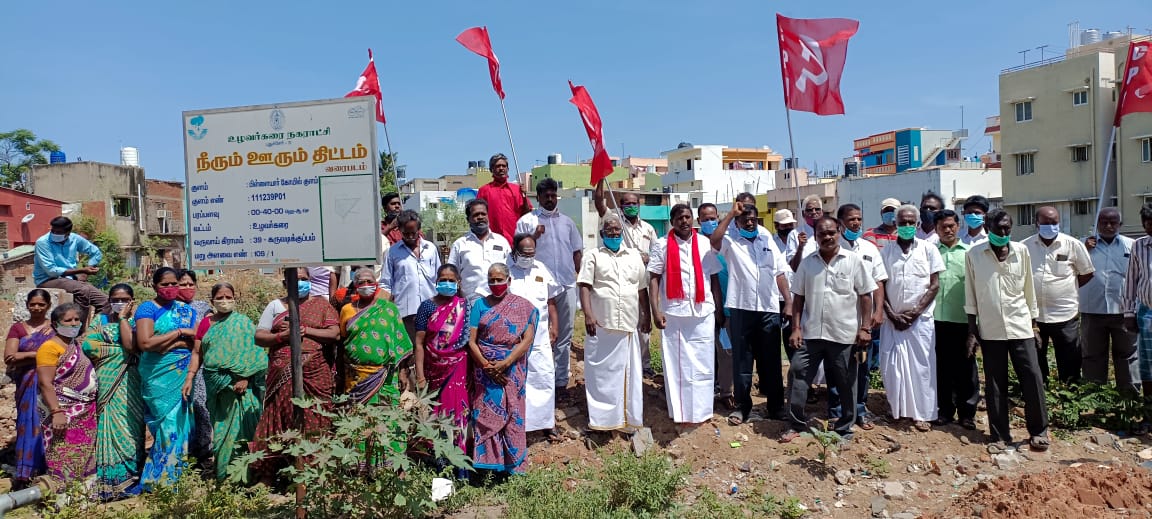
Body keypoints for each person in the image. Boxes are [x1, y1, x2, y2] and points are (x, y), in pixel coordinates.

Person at [781, 216, 876, 444]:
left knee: (846, 382)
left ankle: (844, 428)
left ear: (839, 232)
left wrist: (865, 327)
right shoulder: (807, 263)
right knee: (798, 373)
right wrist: (796, 328)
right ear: (815, 237)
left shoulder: (853, 261)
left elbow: (866, 295)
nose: (827, 237)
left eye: (831, 232)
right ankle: (796, 424)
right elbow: (798, 298)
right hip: (811, 333)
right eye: (822, 233)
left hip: (844, 334)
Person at [965, 210, 1049, 450]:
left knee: (1032, 378)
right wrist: (973, 330)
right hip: (991, 329)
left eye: (1007, 228)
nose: (1003, 233)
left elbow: (1029, 289)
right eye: (998, 228)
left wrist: (1034, 325)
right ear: (988, 228)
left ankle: (1039, 431)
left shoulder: (1021, 251)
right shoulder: (974, 254)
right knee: (995, 383)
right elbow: (971, 294)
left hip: (1020, 326)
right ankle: (1000, 435)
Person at [252, 268, 341, 481]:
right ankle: (270, 474)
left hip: (316, 373)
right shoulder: (275, 306)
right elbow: (260, 337)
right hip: (281, 372)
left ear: (311, 281)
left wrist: (305, 330)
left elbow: (334, 333)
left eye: (304, 279)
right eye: (296, 279)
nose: (300, 282)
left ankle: (314, 474)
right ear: (285, 283)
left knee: (315, 417)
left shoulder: (321, 304)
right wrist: (282, 336)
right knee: (278, 417)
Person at [710, 201, 790, 425]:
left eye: (753, 219)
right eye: (744, 219)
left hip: (768, 308)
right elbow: (714, 241)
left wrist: (789, 302)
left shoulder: (767, 239)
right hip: (741, 307)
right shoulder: (731, 241)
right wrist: (728, 216)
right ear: (737, 222)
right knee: (742, 362)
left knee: (772, 361)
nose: (750, 222)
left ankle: (776, 407)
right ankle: (742, 408)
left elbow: (780, 272)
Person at [649, 204, 721, 429]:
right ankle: (680, 413)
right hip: (674, 314)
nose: (684, 221)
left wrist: (718, 309)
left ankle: (701, 411)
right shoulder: (661, 245)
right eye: (679, 218)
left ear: (693, 219)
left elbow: (714, 278)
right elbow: (653, 279)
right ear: (672, 222)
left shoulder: (704, 244)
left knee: (703, 363)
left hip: (702, 312)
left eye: (688, 217)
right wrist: (655, 310)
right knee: (677, 365)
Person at [578, 215, 651, 434]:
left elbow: (641, 288)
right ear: (602, 234)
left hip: (628, 324)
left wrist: (646, 315)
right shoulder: (592, 256)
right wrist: (588, 315)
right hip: (601, 324)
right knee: (602, 376)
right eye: (609, 231)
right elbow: (584, 286)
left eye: (617, 230)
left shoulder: (633, 257)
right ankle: (602, 421)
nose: (614, 234)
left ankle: (626, 419)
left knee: (627, 375)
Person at [190, 282, 267, 480]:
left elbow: (255, 353)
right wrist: (190, 377)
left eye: (228, 297)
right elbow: (198, 352)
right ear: (212, 300)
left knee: (242, 428)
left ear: (234, 298)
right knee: (221, 428)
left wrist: (245, 378)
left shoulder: (242, 322)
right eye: (220, 297)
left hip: (240, 385)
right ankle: (224, 473)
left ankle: (245, 475)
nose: (224, 301)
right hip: (215, 385)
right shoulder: (205, 324)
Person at [515, 178, 583, 397]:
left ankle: (560, 381)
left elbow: (576, 251)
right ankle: (536, 382)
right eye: (546, 196)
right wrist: (534, 235)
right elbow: (516, 250)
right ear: (539, 197)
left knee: (564, 333)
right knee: (538, 334)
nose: (551, 199)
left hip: (566, 283)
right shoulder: (527, 221)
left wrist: (580, 276)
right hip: (538, 287)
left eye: (554, 195)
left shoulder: (567, 222)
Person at [468, 263, 538, 476]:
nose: (496, 284)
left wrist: (506, 363)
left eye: (500, 279)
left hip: (512, 370)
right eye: (492, 280)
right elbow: (471, 341)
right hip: (485, 372)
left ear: (509, 280)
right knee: (485, 414)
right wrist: (486, 365)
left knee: (513, 413)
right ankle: (488, 467)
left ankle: (513, 466)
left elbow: (527, 340)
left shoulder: (524, 306)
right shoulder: (479, 305)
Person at [879, 205, 944, 431]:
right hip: (893, 321)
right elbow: (880, 286)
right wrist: (892, 314)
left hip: (920, 321)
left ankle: (922, 414)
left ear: (917, 224)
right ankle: (896, 410)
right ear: (895, 224)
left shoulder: (928, 249)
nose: (906, 226)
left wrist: (915, 312)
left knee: (922, 368)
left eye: (910, 222)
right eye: (902, 222)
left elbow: (934, 284)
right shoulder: (886, 251)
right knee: (891, 367)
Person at [134, 267, 197, 489]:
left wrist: (170, 343)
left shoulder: (186, 310)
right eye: (165, 284)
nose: (171, 288)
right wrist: (178, 335)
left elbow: (195, 342)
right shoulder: (147, 308)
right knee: (165, 424)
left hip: (182, 373)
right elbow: (146, 343)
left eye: (174, 284)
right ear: (154, 286)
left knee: (180, 423)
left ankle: (173, 477)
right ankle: (159, 480)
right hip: (157, 375)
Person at [82, 284, 144, 498]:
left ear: (132, 300)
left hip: (133, 383)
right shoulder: (100, 320)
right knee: (108, 425)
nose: (120, 302)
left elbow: (138, 346)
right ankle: (110, 481)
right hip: (107, 381)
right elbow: (88, 346)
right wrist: (119, 349)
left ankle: (131, 477)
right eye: (116, 299)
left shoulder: (139, 321)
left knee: (131, 427)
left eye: (125, 299)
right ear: (109, 300)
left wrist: (112, 345)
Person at [830, 204, 888, 430]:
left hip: (865, 321)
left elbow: (879, 281)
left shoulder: (869, 248)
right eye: (851, 219)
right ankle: (837, 411)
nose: (856, 223)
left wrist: (878, 310)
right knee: (838, 367)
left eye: (859, 219)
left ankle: (860, 410)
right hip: (840, 320)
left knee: (862, 367)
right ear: (840, 223)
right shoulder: (832, 248)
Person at [1023, 205, 1095, 384]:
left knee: (1069, 359)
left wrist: (1067, 289)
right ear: (1036, 223)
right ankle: (1040, 393)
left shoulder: (1073, 245)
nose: (1050, 226)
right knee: (1035, 358)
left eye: (1054, 222)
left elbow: (1086, 273)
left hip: (1064, 314)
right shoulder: (1024, 246)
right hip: (1034, 316)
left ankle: (1069, 397)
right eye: (1045, 223)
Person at [594, 180, 658, 375]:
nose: (631, 207)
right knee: (621, 320)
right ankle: (623, 361)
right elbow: (599, 203)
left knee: (643, 322)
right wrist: (599, 180)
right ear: (621, 206)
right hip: (620, 280)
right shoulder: (614, 221)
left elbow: (657, 254)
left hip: (641, 281)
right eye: (627, 203)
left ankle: (644, 364)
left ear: (639, 205)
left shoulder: (648, 229)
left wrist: (648, 257)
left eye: (634, 203)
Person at [37, 302, 98, 484]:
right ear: (56, 324)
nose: (73, 324)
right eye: (68, 320)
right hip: (62, 411)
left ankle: (83, 497)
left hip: (84, 411)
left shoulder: (76, 344)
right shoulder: (49, 348)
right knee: (62, 451)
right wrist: (57, 412)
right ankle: (63, 495)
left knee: (84, 451)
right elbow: (45, 383)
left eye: (77, 320)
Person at [414, 264, 471, 458]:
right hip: (432, 370)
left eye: (451, 280)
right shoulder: (427, 307)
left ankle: (457, 460)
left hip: (457, 368)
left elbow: (469, 343)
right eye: (443, 280)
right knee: (435, 412)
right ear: (436, 281)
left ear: (458, 283)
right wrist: (420, 376)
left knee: (456, 411)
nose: (447, 283)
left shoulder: (464, 306)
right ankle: (437, 458)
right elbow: (419, 343)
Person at [1080, 208, 1138, 393]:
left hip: (1124, 311)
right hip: (1092, 310)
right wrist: (1084, 249)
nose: (1108, 226)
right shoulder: (1083, 245)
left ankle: (1129, 398)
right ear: (1097, 223)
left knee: (1128, 355)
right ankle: (1095, 397)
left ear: (1120, 225)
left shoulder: (1132, 246)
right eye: (1104, 222)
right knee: (1092, 356)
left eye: (1113, 222)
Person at [933, 210, 980, 430]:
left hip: (963, 321)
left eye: (951, 225)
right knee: (941, 368)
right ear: (936, 229)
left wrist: (975, 327)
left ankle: (967, 413)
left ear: (958, 226)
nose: (948, 230)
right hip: (937, 321)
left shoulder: (970, 254)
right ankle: (944, 411)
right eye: (943, 226)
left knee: (966, 369)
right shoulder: (931, 252)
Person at [340, 268, 414, 407]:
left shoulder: (390, 309)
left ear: (376, 284)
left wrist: (403, 372)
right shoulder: (346, 310)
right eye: (362, 282)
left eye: (370, 281)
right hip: (357, 377)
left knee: (387, 419)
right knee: (358, 421)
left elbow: (401, 343)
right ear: (355, 285)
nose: (366, 284)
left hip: (386, 375)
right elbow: (343, 341)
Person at [5, 289, 52, 487]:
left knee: (48, 422)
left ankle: (48, 467)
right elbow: (9, 357)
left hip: (51, 382)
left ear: (48, 306)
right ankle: (26, 471)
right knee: (27, 422)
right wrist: (41, 354)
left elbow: (65, 352)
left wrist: (27, 355)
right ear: (27, 305)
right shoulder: (18, 328)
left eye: (41, 304)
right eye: (33, 304)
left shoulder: (55, 327)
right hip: (26, 382)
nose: (36, 308)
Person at [381, 210, 441, 339]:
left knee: (431, 348)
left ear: (419, 229)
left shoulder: (431, 249)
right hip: (406, 312)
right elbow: (386, 283)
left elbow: (438, 277)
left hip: (432, 310)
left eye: (413, 233)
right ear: (400, 231)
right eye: (405, 233)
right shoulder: (393, 252)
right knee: (410, 350)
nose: (410, 237)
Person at [698, 203, 734, 410]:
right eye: (705, 218)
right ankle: (708, 387)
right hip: (704, 306)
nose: (709, 221)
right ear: (699, 221)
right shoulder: (698, 242)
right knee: (705, 349)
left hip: (727, 304)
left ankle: (726, 390)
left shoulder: (726, 241)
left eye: (712, 217)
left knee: (726, 350)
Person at [175, 269, 212, 466]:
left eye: (191, 284)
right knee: (179, 407)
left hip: (199, 363)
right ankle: (181, 451)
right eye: (183, 284)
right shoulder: (170, 308)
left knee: (200, 405)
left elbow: (207, 332)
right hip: (174, 366)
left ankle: (204, 449)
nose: (188, 288)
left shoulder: (202, 307)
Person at [34, 216, 108, 312]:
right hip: (48, 280)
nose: (55, 234)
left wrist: (88, 270)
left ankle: (95, 325)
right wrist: (81, 270)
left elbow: (95, 252)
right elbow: (51, 271)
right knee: (83, 290)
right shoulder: (43, 242)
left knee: (105, 301)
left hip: (71, 280)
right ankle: (78, 323)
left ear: (68, 233)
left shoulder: (74, 238)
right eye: (53, 231)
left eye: (59, 232)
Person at [450, 199, 511, 304]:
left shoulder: (501, 241)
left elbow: (511, 270)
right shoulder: (459, 244)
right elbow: (452, 276)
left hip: (500, 302)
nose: (480, 217)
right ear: (468, 219)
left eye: (483, 214)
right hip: (471, 304)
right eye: (476, 214)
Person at [1123, 204, 1152, 418]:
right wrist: (1129, 314)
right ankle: (1149, 414)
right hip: (1146, 313)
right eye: (1148, 225)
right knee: (1147, 367)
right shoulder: (1139, 246)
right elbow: (1131, 281)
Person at [476, 153, 532, 242]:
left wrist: (524, 196)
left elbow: (527, 214)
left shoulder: (517, 189)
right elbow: (477, 215)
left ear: (508, 169)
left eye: (504, 166)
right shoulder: (484, 191)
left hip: (514, 241)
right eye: (498, 166)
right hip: (491, 241)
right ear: (491, 169)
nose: (501, 168)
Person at [788, 195, 823, 273]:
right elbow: (794, 267)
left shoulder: (829, 232)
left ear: (822, 212)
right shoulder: (795, 234)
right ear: (803, 214)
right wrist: (800, 247)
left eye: (817, 209)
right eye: (810, 210)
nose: (814, 212)